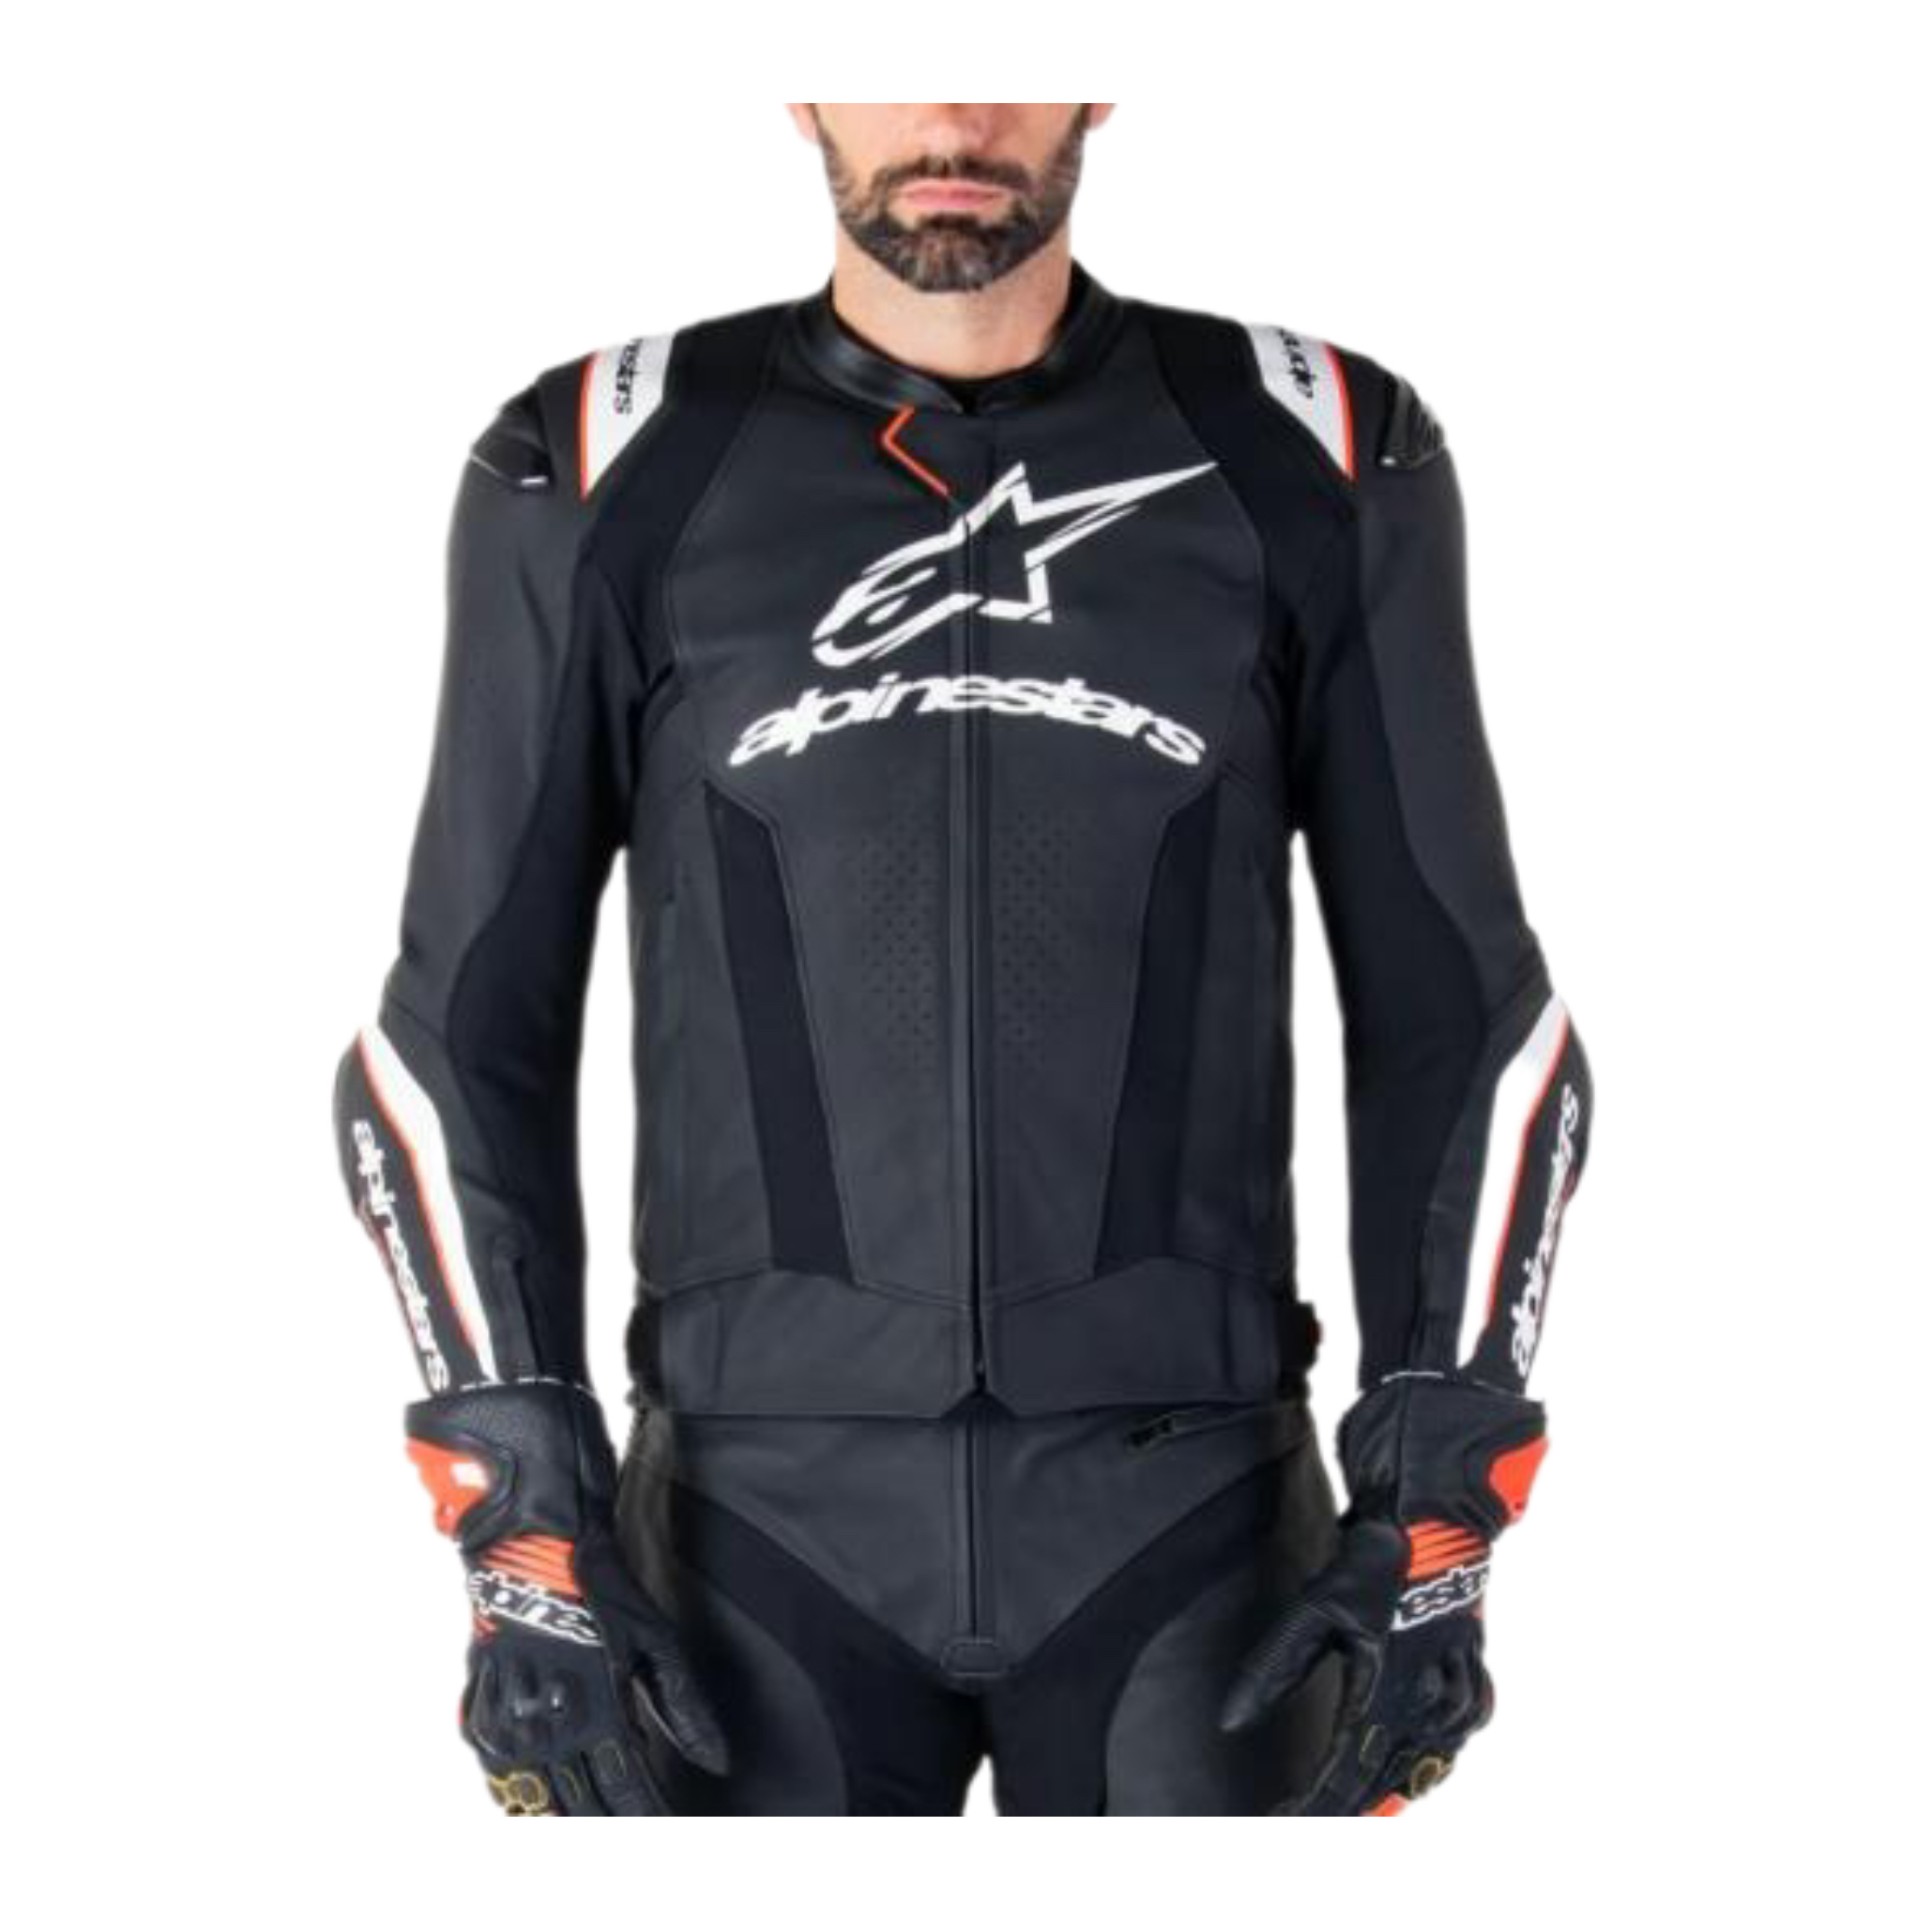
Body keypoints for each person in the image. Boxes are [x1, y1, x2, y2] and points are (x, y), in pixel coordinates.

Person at [330, 103, 1593, 1817]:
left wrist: (1443, 1478)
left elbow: (1463, 1011)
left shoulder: (1316, 440)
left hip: (1193, 1519)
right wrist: (516, 1500)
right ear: (800, 86)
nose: (948, 114)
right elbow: (457, 1026)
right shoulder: (604, 454)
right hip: (749, 1530)